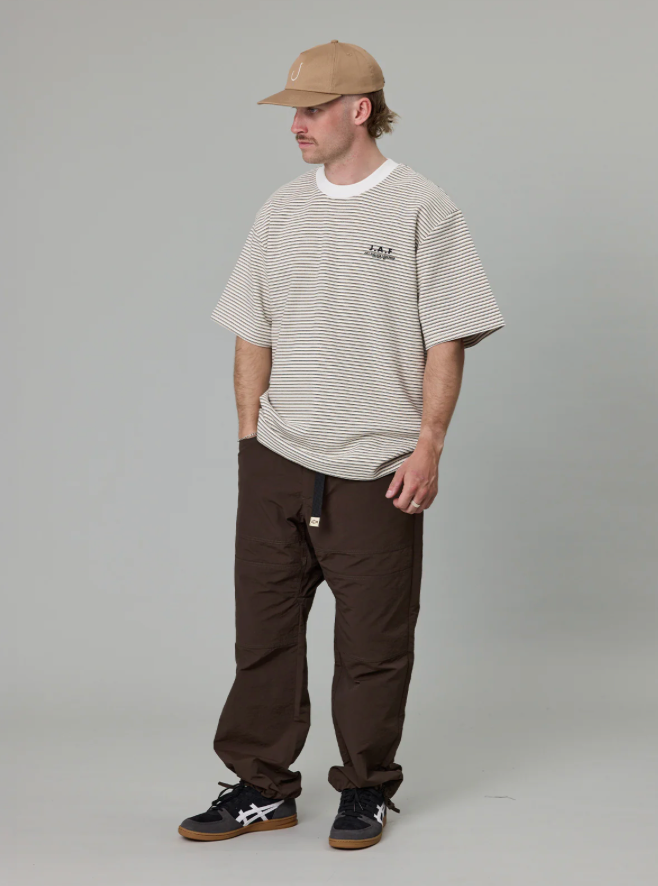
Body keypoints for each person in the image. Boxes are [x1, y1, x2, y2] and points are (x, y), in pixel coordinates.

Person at [178, 39, 505, 850]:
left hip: (379, 469)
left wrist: (429, 446)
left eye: (313, 109)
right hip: (279, 461)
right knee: (262, 638)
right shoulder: (281, 210)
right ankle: (262, 789)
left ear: (360, 110)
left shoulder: (424, 207)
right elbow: (250, 328)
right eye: (294, 110)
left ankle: (365, 790)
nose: (297, 124)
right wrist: (251, 440)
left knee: (373, 648)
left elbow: (448, 338)